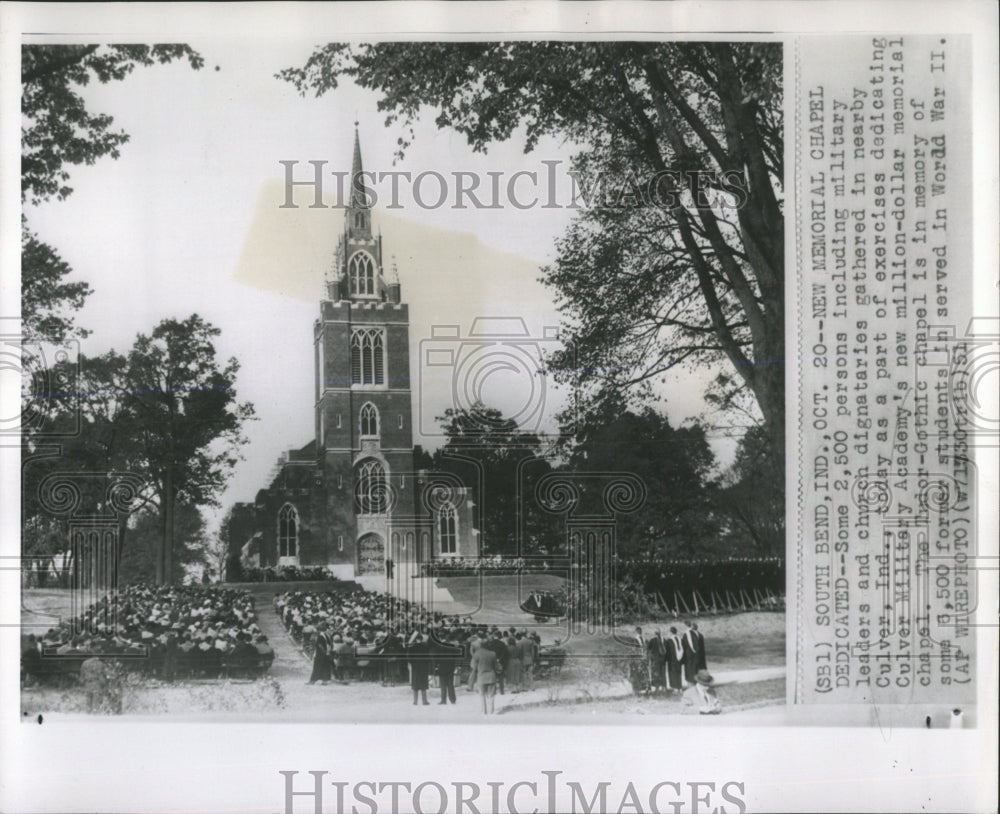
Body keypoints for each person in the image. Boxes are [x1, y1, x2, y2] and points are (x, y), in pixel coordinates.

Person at [469, 641, 499, 715]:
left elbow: (473, 666)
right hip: (491, 676)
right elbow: (496, 666)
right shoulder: (493, 653)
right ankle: (491, 711)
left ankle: (484, 711)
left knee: (482, 695)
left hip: (481, 677)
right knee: (491, 695)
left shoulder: (477, 654)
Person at [432, 630, 460, 705]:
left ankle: (443, 700)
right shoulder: (451, 646)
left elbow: (435, 658)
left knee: (443, 685)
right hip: (450, 666)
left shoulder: (438, 646)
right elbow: (455, 656)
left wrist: (436, 667)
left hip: (441, 667)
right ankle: (453, 699)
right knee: (450, 684)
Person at [407, 631, 431, 705]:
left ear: (416, 640)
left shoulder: (412, 648)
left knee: (415, 685)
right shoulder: (425, 647)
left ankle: (415, 701)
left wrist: (413, 664)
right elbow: (428, 658)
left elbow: (409, 658)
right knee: (423, 685)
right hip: (423, 668)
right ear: (421, 639)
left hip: (415, 668)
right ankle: (424, 701)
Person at [665, 626, 685, 693]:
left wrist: (666, 659)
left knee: (673, 673)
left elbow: (667, 652)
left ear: (671, 632)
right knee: (679, 673)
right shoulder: (680, 639)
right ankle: (680, 687)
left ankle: (675, 688)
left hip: (672, 660)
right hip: (679, 659)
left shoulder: (669, 641)